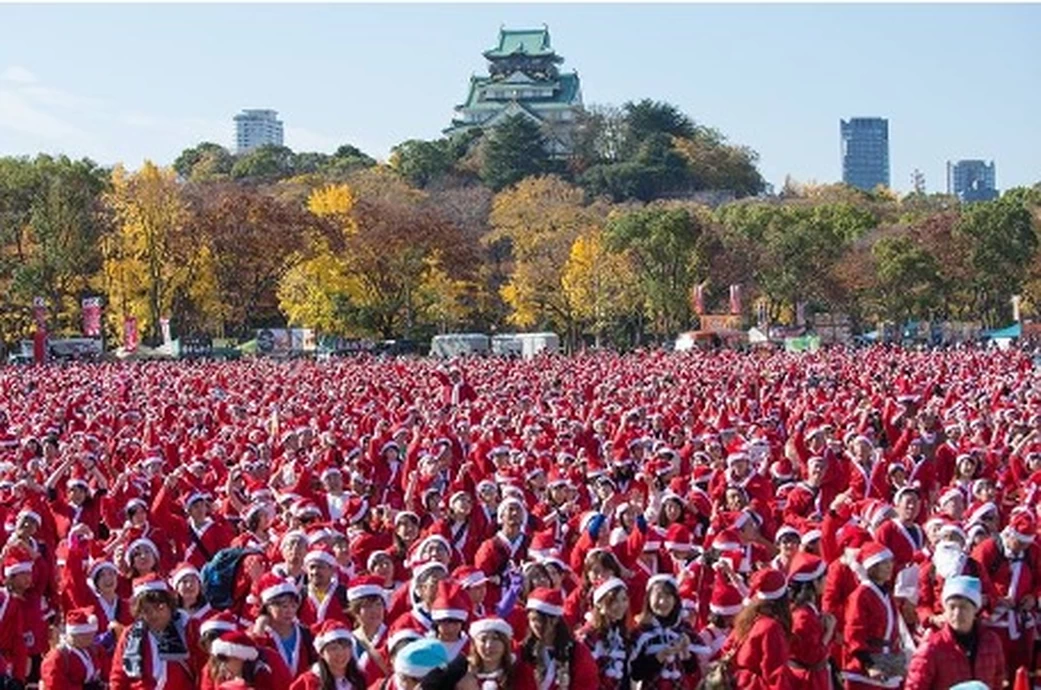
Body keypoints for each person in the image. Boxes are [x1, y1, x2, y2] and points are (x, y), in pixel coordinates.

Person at [905, 576, 1005, 690]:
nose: (957, 614)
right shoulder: (932, 647)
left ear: (975, 610)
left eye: (964, 607)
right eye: (952, 607)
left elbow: (998, 681)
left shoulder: (991, 642)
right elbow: (915, 687)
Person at [109, 574, 203, 690]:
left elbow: (203, 667)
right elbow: (119, 676)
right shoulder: (131, 634)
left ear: (170, 605)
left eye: (159, 607)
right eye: (147, 610)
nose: (154, 614)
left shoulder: (189, 628)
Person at [841, 542, 905, 690]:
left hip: (889, 656)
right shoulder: (861, 595)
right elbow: (853, 633)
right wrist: (869, 664)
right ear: (872, 567)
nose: (890, 567)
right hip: (868, 662)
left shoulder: (886, 593)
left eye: (890, 562)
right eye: (884, 563)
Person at [724, 568, 793, 690]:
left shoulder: (748, 618)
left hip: (740, 683)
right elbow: (775, 673)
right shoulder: (771, 627)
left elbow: (727, 647)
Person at [630, 575, 702, 689]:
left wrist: (686, 651)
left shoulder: (682, 628)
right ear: (648, 599)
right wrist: (660, 656)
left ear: (675, 600)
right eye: (658, 596)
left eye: (668, 596)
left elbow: (691, 669)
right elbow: (635, 673)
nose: (663, 602)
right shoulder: (641, 631)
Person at [517, 588, 597, 690]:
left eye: (539, 620)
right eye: (532, 620)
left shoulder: (576, 651)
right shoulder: (523, 650)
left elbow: (587, 683)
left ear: (555, 620)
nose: (535, 625)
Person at [786, 553, 835, 690]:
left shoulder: (805, 610)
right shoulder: (803, 616)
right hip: (807, 681)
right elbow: (813, 656)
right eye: (825, 577)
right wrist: (829, 631)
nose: (828, 580)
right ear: (815, 582)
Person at [575, 577, 630, 689]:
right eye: (614, 601)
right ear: (599, 604)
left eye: (624, 599)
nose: (621, 605)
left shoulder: (619, 634)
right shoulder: (586, 637)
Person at [287, 621, 367, 690]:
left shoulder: (361, 678)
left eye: (345, 647)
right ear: (321, 653)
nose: (340, 653)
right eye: (333, 648)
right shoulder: (309, 681)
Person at [40, 608, 105, 690]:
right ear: (76, 635)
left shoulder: (94, 650)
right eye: (87, 636)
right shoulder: (57, 656)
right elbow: (54, 685)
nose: (92, 638)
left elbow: (107, 672)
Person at [467, 617, 535, 690]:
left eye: (495, 639)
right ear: (474, 644)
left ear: (505, 644)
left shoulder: (521, 672)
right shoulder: (463, 673)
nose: (489, 645)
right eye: (483, 640)